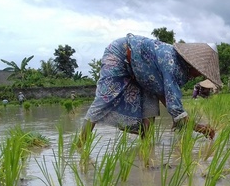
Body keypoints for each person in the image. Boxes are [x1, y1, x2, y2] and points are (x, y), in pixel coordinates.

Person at [79, 33, 222, 142]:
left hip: (142, 72)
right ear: (192, 64)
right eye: (199, 71)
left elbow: (164, 95)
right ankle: (79, 146)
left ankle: (147, 149)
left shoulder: (179, 69)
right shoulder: (172, 64)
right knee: (104, 100)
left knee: (150, 109)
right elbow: (174, 107)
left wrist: (179, 119)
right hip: (121, 54)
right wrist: (199, 127)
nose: (198, 75)